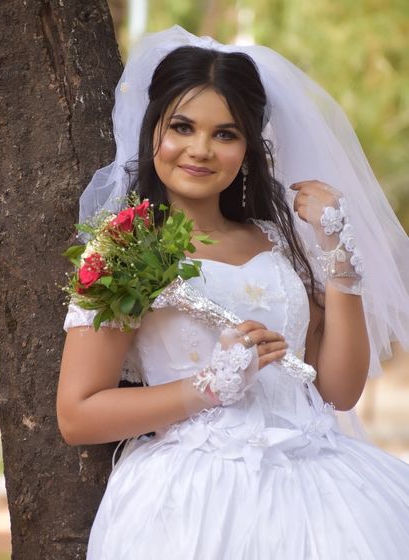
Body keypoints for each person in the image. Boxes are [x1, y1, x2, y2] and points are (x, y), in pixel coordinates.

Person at [57, 26, 409, 559]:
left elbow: (338, 392)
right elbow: (76, 416)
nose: (201, 150)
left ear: (248, 148)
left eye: (225, 134)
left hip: (318, 485)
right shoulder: (124, 248)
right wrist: (207, 386)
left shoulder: (281, 243)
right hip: (192, 499)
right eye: (182, 127)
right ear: (153, 130)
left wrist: (340, 258)